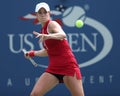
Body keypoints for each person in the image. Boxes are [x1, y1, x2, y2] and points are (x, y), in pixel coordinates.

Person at [25, 2, 85, 96]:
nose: (43, 14)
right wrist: (32, 53)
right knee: (35, 94)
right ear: (36, 15)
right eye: (40, 12)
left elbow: (62, 35)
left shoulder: (52, 24)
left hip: (68, 66)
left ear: (49, 13)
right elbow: (49, 51)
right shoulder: (43, 30)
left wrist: (47, 36)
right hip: (53, 69)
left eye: (45, 12)